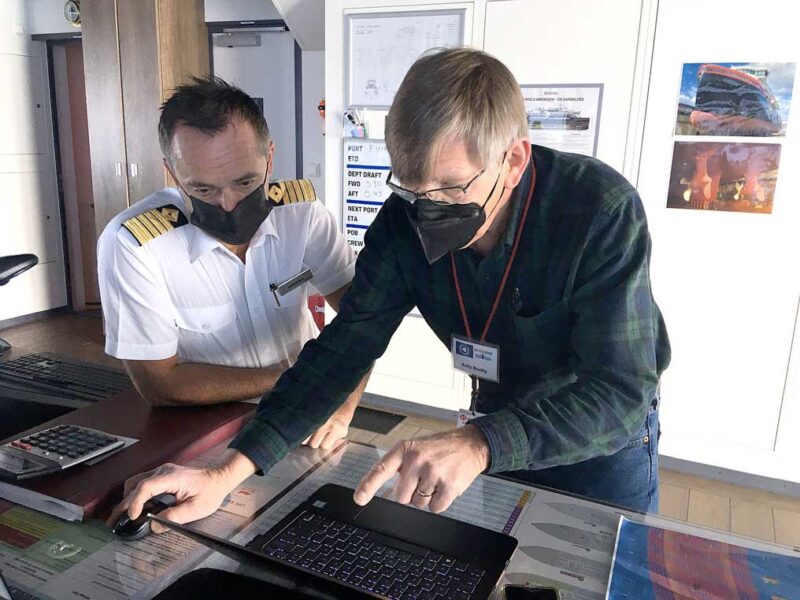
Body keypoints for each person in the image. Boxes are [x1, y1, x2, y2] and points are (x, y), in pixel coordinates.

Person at [112, 48, 670, 532]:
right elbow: (341, 350)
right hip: (493, 421)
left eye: (449, 189)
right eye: (410, 186)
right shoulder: (402, 223)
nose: (427, 211)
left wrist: (479, 443)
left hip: (595, 438)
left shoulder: (597, 211)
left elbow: (619, 393)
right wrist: (227, 472)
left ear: (514, 159)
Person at [97, 76, 367, 449]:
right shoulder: (133, 244)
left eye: (244, 182)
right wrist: (300, 375)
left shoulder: (302, 215)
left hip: (302, 416)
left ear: (270, 159)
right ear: (172, 173)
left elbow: (364, 321)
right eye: (203, 189)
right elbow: (160, 385)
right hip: (203, 431)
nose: (227, 204)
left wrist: (342, 409)